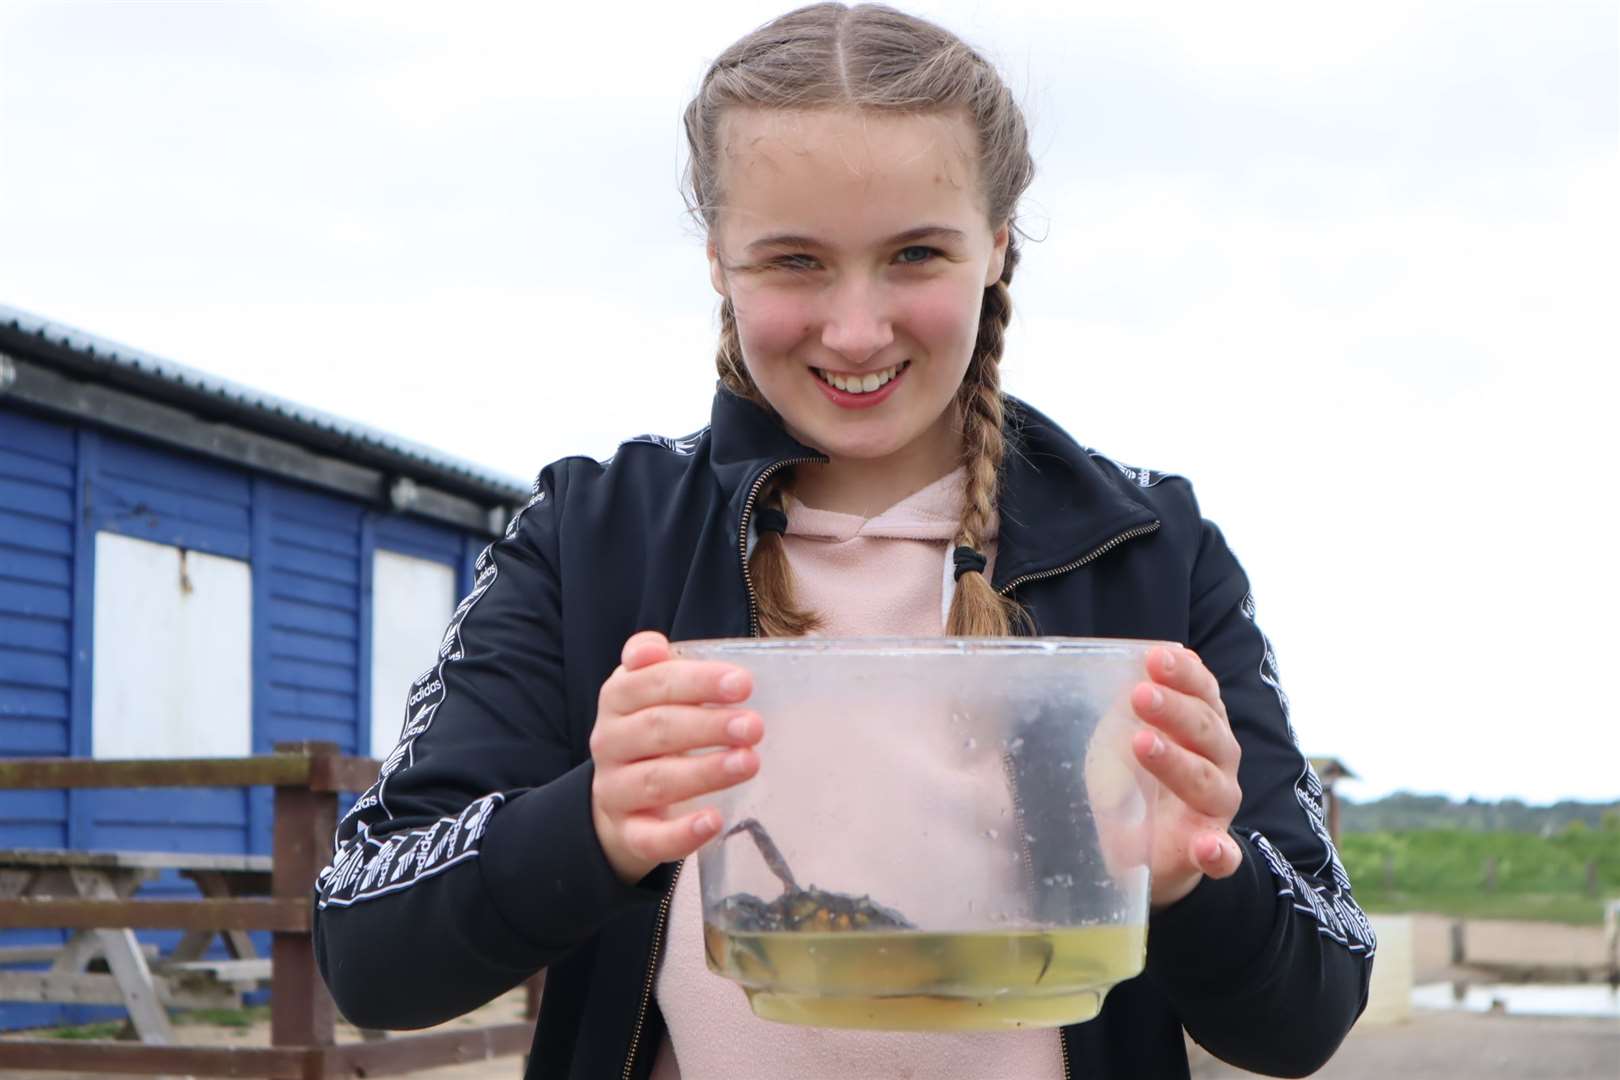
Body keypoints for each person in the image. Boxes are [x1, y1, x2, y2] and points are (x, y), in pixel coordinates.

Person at [313, 4, 1376, 1077]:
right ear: (719, 259)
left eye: (916, 254)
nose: (857, 330)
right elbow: (366, 951)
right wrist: (589, 823)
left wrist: (1198, 872)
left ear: (998, 246)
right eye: (794, 262)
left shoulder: (1150, 548)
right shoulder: (592, 536)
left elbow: (1312, 1006)